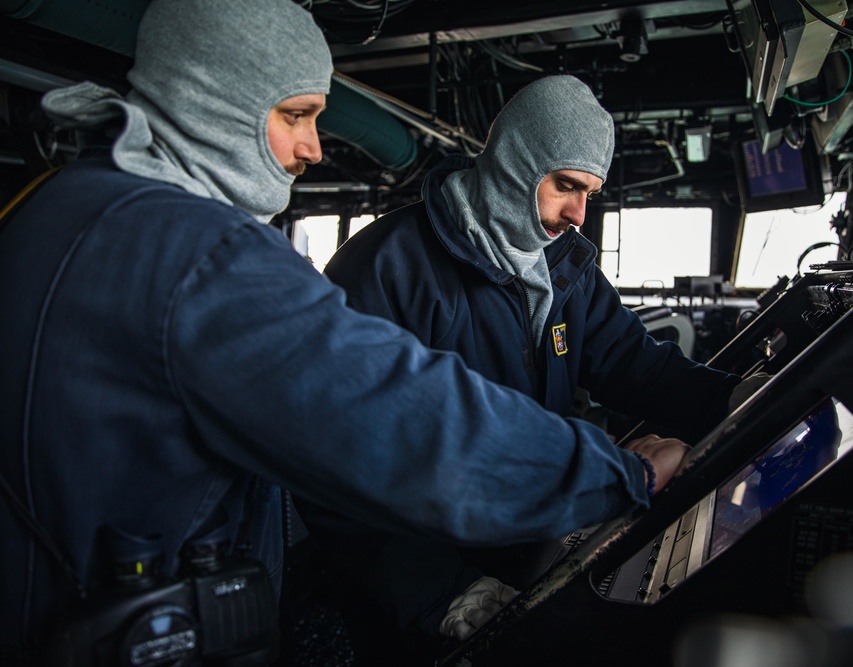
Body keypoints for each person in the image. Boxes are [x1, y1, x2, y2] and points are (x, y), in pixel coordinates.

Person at [0, 2, 692, 662]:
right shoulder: (200, 255)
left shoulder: (50, 206)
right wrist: (616, 473)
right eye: (296, 115)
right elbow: (402, 418)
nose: (312, 149)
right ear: (213, 95)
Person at [313, 75, 746, 661]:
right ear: (517, 163)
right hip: (420, 586)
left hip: (523, 546)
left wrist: (745, 400)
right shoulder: (387, 268)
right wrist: (442, 594)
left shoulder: (564, 266)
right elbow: (335, 461)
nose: (578, 215)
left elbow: (637, 365)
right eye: (566, 186)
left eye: (590, 193)